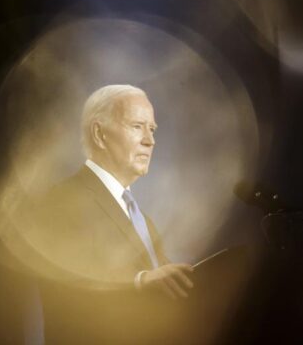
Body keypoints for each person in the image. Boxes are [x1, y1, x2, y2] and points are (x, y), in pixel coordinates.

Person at [28, 85, 194, 299]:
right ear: (99, 134)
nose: (150, 141)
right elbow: (65, 284)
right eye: (137, 126)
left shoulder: (146, 223)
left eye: (151, 129)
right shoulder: (63, 200)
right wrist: (139, 281)